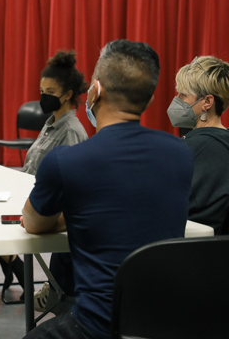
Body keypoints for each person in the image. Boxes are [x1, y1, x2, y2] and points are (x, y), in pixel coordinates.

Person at [21, 40, 194, 339]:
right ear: (150, 100)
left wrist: (71, 211)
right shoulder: (180, 154)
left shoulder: (65, 161)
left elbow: (35, 224)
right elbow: (134, 205)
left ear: (94, 91)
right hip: (165, 322)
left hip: (97, 325)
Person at [0, 50, 89, 307]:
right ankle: (22, 276)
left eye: (50, 92)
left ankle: (34, 283)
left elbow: (69, 183)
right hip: (25, 199)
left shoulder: (71, 131)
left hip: (43, 209)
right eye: (42, 90)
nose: (43, 97)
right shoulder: (50, 123)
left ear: (68, 95)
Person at [167, 56, 229, 234]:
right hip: (205, 246)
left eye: (183, 95)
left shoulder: (202, 147)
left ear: (207, 102)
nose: (177, 100)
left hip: (180, 246)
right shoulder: (227, 142)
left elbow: (169, 205)